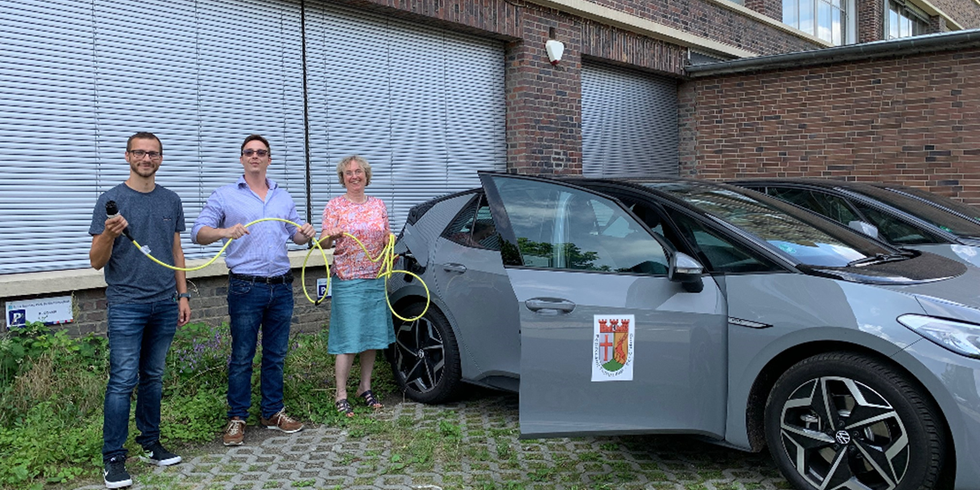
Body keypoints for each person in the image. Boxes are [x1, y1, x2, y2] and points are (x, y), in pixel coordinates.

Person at [191, 134, 316, 446]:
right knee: (243, 355)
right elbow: (198, 233)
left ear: (269, 159)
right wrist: (224, 231)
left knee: (275, 355)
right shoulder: (224, 196)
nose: (255, 157)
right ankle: (237, 418)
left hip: (281, 286)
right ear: (242, 158)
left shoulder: (283, 197)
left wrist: (306, 233)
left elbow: (295, 237)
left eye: (261, 152)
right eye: (249, 152)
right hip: (246, 286)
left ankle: (273, 412)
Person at [89, 132, 191, 489]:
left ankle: (151, 443)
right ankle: (114, 458)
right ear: (127, 156)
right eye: (139, 153)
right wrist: (108, 235)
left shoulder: (171, 199)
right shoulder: (111, 200)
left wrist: (183, 295)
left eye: (153, 154)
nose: (146, 158)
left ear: (160, 159)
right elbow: (95, 262)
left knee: (153, 377)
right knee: (122, 381)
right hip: (127, 305)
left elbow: (176, 251)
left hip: (165, 302)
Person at [319, 155, 395, 417]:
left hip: (374, 277)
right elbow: (323, 244)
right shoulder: (334, 206)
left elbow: (386, 237)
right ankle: (341, 393)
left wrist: (390, 249)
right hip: (348, 279)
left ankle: (365, 387)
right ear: (342, 178)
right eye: (348, 172)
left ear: (366, 175)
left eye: (358, 171)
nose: (354, 176)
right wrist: (332, 236)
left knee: (371, 337)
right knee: (349, 339)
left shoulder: (378, 205)